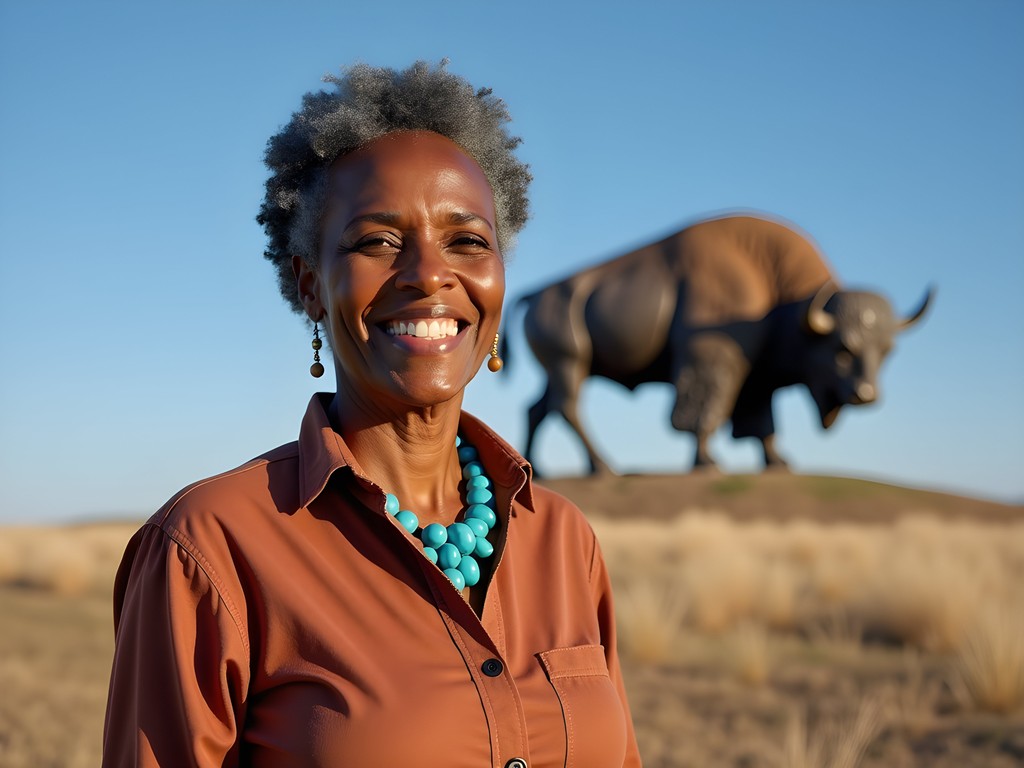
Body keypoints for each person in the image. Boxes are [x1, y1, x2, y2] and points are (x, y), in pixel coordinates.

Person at [103, 60, 641, 768]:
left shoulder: (565, 542)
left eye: (468, 241)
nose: (427, 273)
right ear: (310, 287)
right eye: (377, 242)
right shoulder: (209, 550)